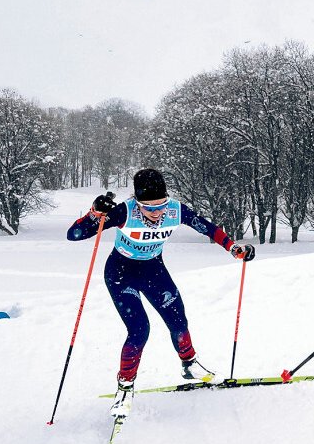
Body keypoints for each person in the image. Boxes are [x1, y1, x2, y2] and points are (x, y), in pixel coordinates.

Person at [66, 167, 255, 417]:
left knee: (178, 319)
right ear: (137, 201)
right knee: (139, 330)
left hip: (153, 269)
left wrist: (233, 248)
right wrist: (95, 213)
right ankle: (124, 388)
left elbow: (208, 228)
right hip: (121, 274)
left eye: (161, 206)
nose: (156, 213)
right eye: (149, 208)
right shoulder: (125, 211)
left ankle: (189, 365)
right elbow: (74, 235)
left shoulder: (175, 210)